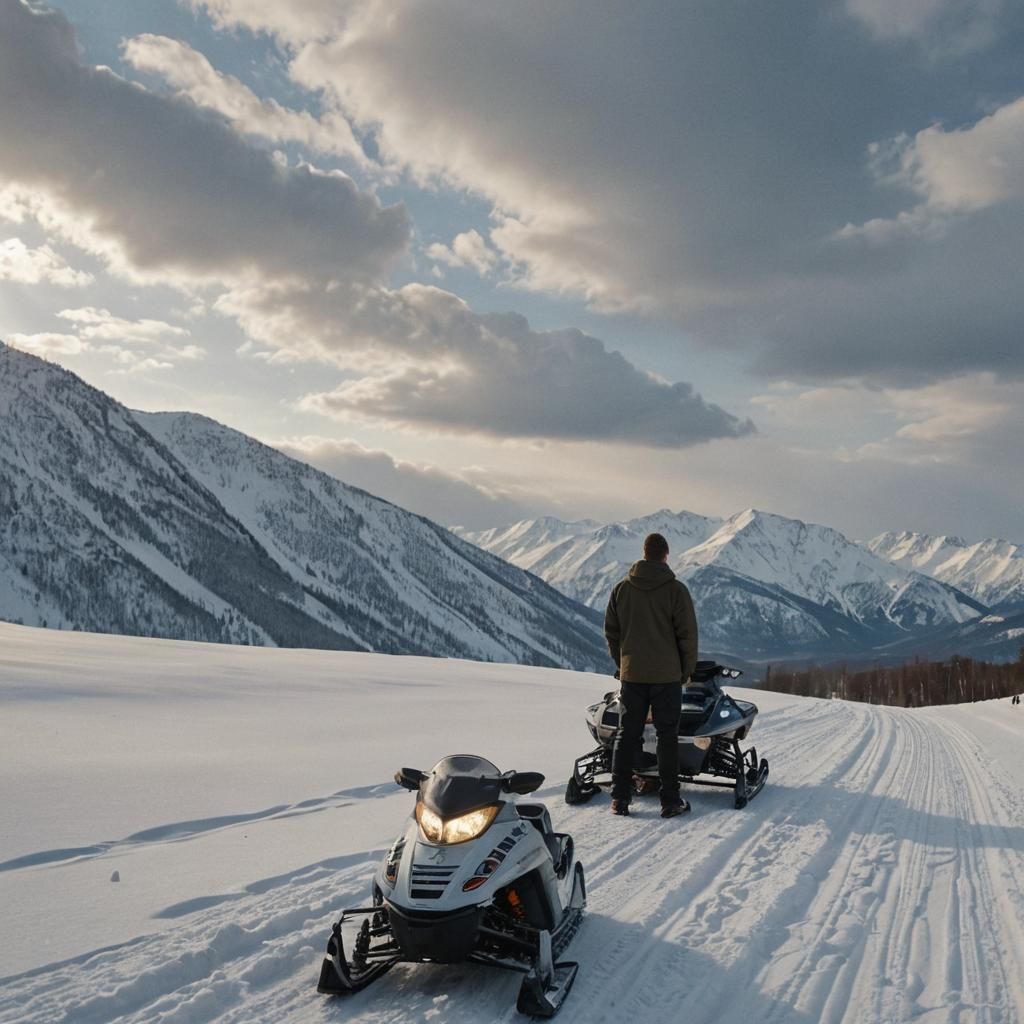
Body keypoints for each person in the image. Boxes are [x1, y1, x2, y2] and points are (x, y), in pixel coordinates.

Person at [603, 532, 698, 819]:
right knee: (667, 736)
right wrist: (685, 672)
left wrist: (623, 664)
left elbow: (611, 632)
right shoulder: (676, 591)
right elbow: (687, 636)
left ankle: (619, 798)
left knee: (626, 733)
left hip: (632, 675)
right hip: (667, 676)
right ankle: (670, 801)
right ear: (666, 555)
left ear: (644, 555)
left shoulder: (621, 589)